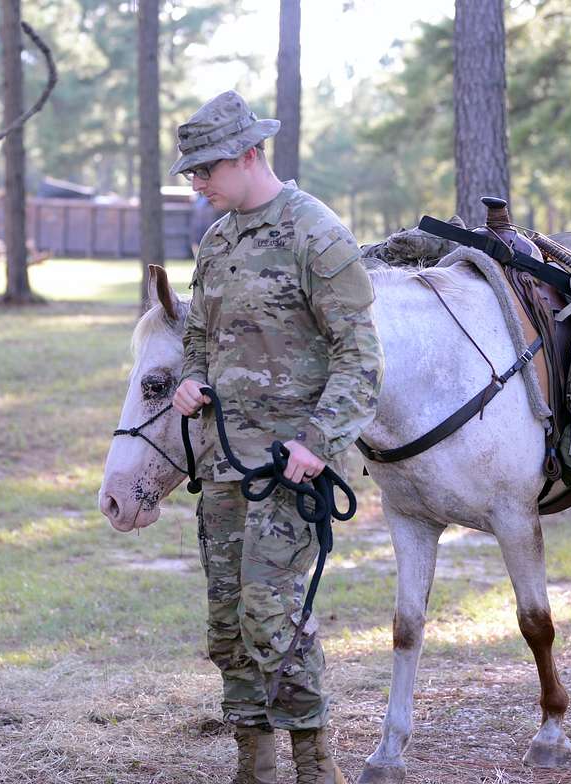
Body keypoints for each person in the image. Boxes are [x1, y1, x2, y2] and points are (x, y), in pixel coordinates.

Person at [169, 91, 383, 784]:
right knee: (228, 621)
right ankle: (252, 764)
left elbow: (361, 357)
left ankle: (316, 766)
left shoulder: (314, 232)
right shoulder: (217, 240)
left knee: (272, 615)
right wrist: (191, 380)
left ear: (250, 154)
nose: (196, 182)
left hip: (290, 466)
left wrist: (318, 442)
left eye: (205, 168)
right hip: (224, 462)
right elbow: (198, 337)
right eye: (191, 171)